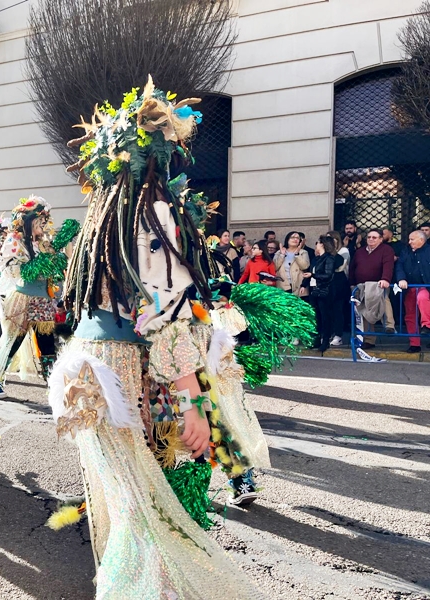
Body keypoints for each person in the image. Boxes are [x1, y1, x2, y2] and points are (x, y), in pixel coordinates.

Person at [49, 77, 314, 598]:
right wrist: (193, 403)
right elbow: (167, 319)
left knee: (127, 498)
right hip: (135, 373)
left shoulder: (105, 215)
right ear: (157, 159)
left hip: (93, 369)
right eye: (172, 153)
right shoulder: (154, 216)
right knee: (154, 500)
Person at [0, 197, 79, 397]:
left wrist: (65, 242)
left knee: (47, 343)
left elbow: (61, 264)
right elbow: (20, 272)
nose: (44, 224)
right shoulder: (14, 242)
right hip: (22, 300)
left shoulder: (43, 243)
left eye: (46, 220)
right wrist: (46, 261)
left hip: (43, 300)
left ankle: (53, 382)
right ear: (28, 221)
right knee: (12, 342)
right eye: (40, 220)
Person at [349, 228, 396, 349]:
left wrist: (385, 279)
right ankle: (369, 339)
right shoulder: (360, 252)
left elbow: (388, 265)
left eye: (374, 237)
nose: (371, 239)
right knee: (364, 308)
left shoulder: (386, 250)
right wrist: (352, 283)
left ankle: (389, 325)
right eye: (369, 237)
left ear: (381, 239)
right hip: (361, 285)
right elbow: (352, 268)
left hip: (378, 283)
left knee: (384, 300)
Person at [302, 236, 342, 352]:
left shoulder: (329, 258)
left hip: (325, 290)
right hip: (315, 289)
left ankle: (325, 340)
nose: (316, 245)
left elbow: (328, 275)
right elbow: (310, 271)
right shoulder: (317, 258)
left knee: (325, 316)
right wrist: (304, 284)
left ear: (322, 244)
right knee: (316, 315)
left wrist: (313, 276)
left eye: (318, 243)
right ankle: (316, 339)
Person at [395, 230, 430, 352]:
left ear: (421, 240)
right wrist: (401, 278)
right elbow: (399, 266)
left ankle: (426, 325)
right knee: (410, 316)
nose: (409, 242)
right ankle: (414, 343)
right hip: (410, 288)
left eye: (412, 239)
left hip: (426, 287)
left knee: (422, 298)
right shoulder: (406, 252)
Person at [325, 231, 349, 347]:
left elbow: (340, 267)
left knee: (338, 310)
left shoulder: (342, 252)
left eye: (331, 239)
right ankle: (328, 333)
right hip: (327, 284)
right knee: (328, 311)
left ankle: (338, 335)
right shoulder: (325, 253)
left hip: (339, 283)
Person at [274, 231, 310, 296]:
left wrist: (297, 254)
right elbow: (275, 267)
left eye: (297, 238)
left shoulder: (303, 252)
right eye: (292, 237)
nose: (295, 239)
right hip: (283, 285)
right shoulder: (279, 252)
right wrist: (282, 255)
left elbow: (304, 266)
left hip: (298, 284)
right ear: (287, 239)